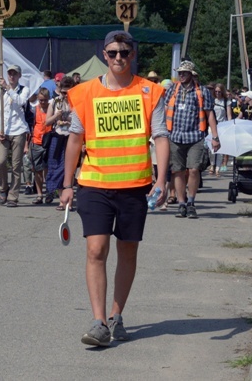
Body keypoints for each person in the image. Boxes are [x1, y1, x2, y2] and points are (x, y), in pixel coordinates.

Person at [59, 30, 169, 346]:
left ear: (133, 54)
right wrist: (67, 184)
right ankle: (98, 323)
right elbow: (75, 139)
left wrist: (161, 181)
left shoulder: (151, 92)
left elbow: (160, 136)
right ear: (104, 55)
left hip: (136, 186)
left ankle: (116, 315)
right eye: (112, 52)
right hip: (94, 184)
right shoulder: (84, 93)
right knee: (96, 249)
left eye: (124, 51)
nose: (118, 57)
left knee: (127, 250)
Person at [165, 60, 220, 219]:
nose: (181, 75)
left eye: (184, 73)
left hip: (195, 136)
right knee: (178, 171)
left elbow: (210, 115)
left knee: (194, 169)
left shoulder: (202, 92)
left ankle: (191, 201)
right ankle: (181, 204)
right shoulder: (172, 90)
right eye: (179, 73)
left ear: (191, 74)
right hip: (175, 137)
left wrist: (215, 136)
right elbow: (164, 110)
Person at [0, 64, 30, 207]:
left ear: (19, 76)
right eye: (10, 74)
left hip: (18, 130)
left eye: (14, 74)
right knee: (0, 161)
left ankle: (13, 196)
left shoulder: (24, 90)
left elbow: (20, 102)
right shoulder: (0, 92)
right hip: (4, 130)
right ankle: (3, 188)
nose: (12, 76)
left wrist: (8, 88)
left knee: (16, 165)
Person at [44, 76, 74, 208]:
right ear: (59, 90)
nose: (66, 95)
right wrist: (57, 116)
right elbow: (47, 122)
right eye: (63, 92)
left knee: (69, 168)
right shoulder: (54, 102)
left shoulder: (77, 102)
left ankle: (69, 202)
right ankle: (62, 199)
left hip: (72, 137)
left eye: (69, 92)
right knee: (56, 166)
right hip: (58, 136)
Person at [29, 87, 52, 204]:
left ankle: (49, 192)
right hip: (37, 142)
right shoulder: (35, 109)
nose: (42, 102)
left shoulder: (51, 109)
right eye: (40, 100)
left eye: (45, 100)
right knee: (37, 170)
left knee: (48, 169)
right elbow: (31, 125)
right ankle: (39, 194)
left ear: (48, 99)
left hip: (49, 142)